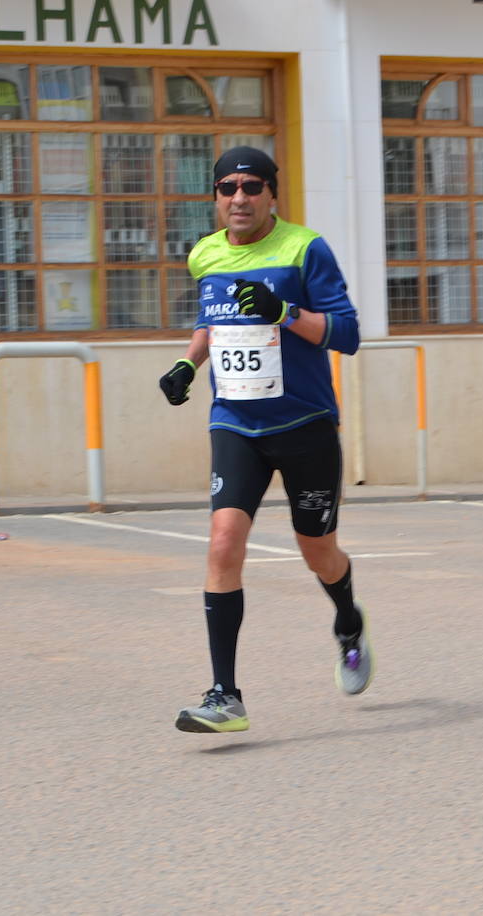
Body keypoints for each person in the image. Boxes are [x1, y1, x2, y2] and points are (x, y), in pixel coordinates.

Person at [158, 147, 371, 734]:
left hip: (304, 426)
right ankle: (225, 695)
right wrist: (187, 363)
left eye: (252, 187)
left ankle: (348, 621)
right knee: (224, 542)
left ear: (272, 194)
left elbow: (347, 334)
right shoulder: (205, 254)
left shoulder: (305, 248)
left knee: (317, 552)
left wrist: (284, 311)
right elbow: (212, 322)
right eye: (228, 188)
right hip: (236, 423)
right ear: (217, 197)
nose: (240, 197)